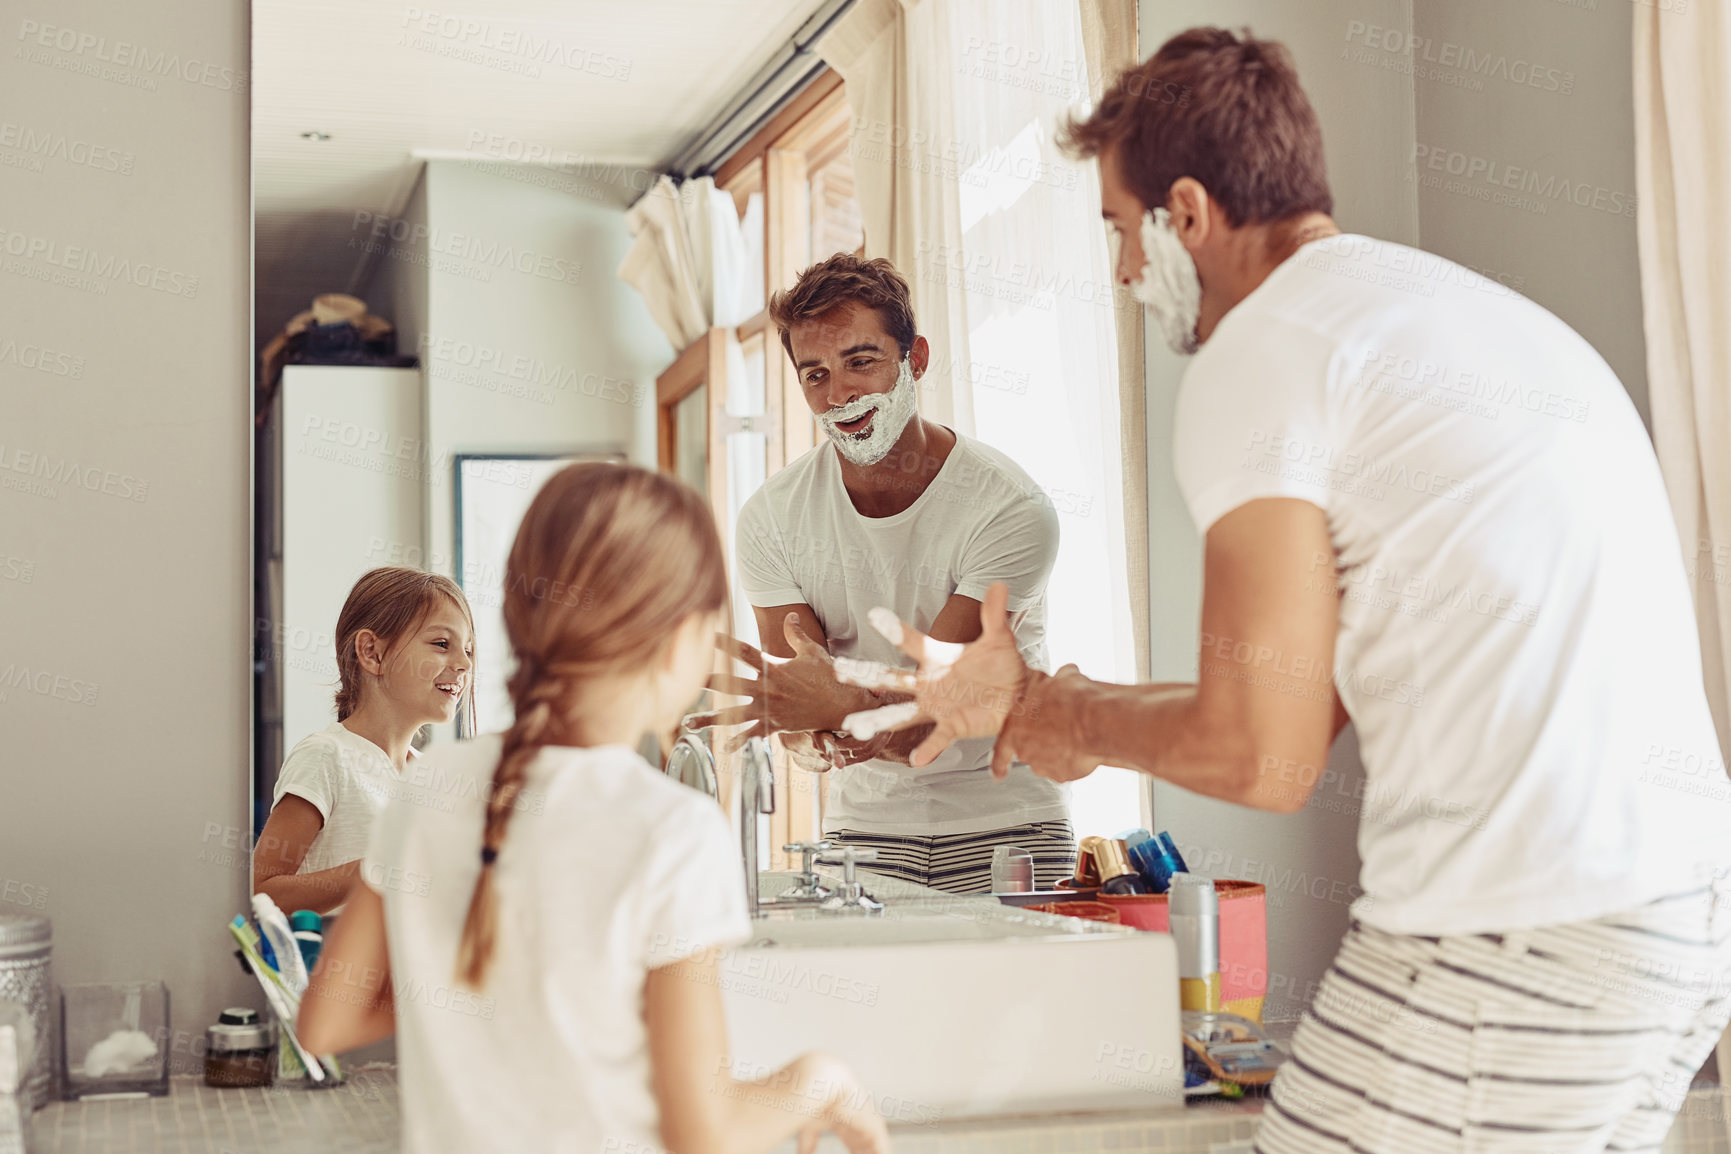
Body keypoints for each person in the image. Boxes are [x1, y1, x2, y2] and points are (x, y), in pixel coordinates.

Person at [854, 27, 1731, 1151]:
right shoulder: (1449, 320)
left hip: (1515, 932)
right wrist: (1053, 706)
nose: (1122, 273)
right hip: (1673, 923)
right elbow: (1299, 700)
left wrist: (1057, 712)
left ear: (1189, 212)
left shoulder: (1264, 349)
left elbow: (1259, 756)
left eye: (1121, 233)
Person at [297, 463, 886, 1154]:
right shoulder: (675, 830)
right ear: (681, 643)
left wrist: (491, 981)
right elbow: (701, 1135)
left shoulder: (430, 786)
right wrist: (824, 1081)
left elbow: (324, 1025)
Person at [692, 252, 1072, 894]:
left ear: (915, 360)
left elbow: (929, 720)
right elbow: (802, 707)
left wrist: (831, 704)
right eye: (815, 374)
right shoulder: (772, 519)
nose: (839, 395)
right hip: (862, 833)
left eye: (860, 362)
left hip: (1009, 825)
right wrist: (810, 734)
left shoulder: (1009, 508)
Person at [253, 567, 475, 914]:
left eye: (469, 650)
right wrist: (379, 868)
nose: (463, 664)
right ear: (372, 652)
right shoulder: (326, 757)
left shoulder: (430, 779)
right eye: (442, 644)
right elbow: (262, 894)